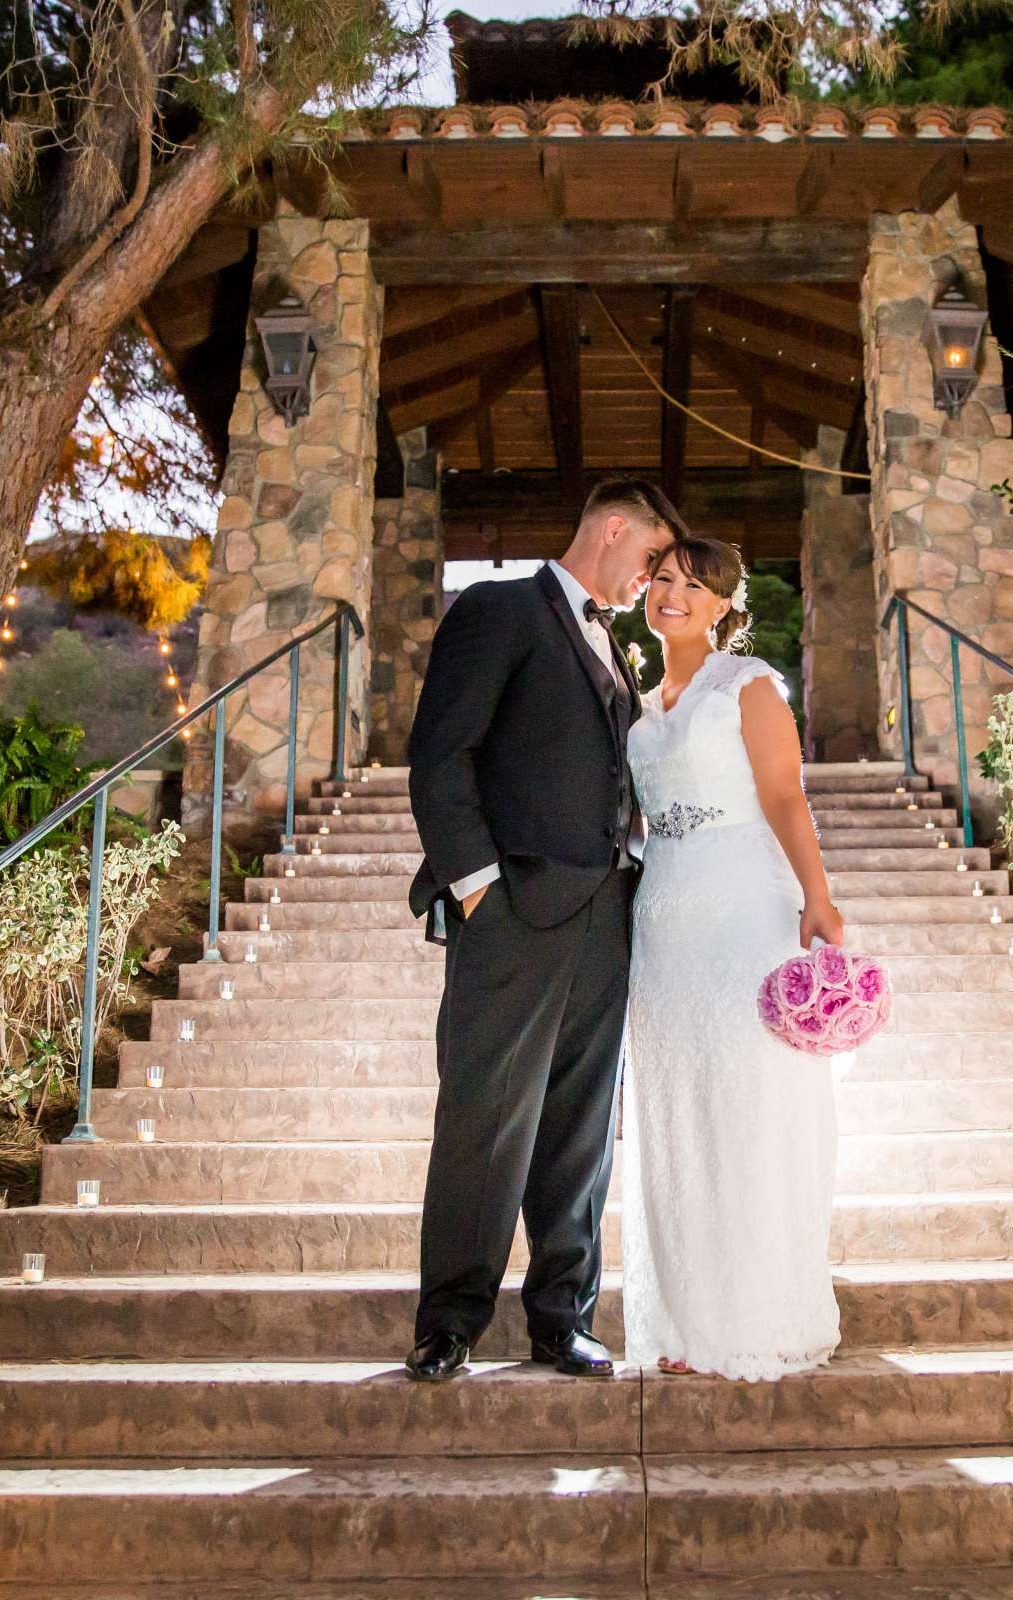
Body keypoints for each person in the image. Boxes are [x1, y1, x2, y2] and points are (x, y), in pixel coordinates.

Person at [401, 478, 681, 1383]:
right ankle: (451, 1322)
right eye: (648, 559)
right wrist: (478, 886)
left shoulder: (616, 644)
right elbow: (442, 752)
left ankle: (563, 1319)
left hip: (607, 915)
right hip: (513, 909)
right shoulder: (498, 610)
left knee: (582, 1129)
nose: (651, 581)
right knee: (483, 1119)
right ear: (610, 528)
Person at [622, 534, 846, 1380]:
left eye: (691, 584)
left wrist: (815, 897)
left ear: (723, 604)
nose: (671, 595)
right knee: (677, 1109)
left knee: (746, 1104)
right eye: (663, 581)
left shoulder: (747, 686)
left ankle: (755, 1312)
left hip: (743, 906)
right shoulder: (641, 704)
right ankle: (688, 1320)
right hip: (663, 916)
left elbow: (786, 795)